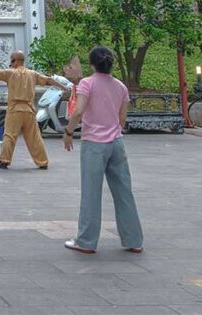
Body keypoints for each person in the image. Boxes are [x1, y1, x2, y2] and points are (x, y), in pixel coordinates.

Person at [62, 46, 143, 254]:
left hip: (94, 145)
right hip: (116, 143)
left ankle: (86, 241)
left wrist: (69, 132)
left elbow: (78, 110)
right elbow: (122, 119)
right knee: (124, 192)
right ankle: (134, 240)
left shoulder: (87, 84)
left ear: (92, 65)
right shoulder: (121, 87)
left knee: (91, 192)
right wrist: (113, 130)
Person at [0, 50, 63, 169]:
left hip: (15, 110)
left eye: (11, 61)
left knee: (9, 135)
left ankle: (4, 161)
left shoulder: (11, 73)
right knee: (35, 137)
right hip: (29, 110)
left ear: (14, 61)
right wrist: (64, 87)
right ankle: (42, 162)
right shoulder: (33, 74)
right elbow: (49, 80)